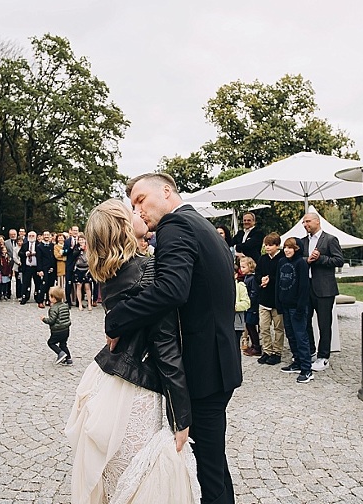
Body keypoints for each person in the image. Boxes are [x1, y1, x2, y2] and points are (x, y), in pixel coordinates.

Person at [104, 173, 242, 504]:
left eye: (140, 200)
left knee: (206, 472)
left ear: (166, 192)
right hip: (220, 361)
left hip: (203, 368)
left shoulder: (174, 227)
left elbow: (172, 290)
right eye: (133, 205)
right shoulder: (202, 224)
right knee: (213, 463)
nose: (138, 210)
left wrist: (116, 320)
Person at [66, 199, 198, 503]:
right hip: (134, 391)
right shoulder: (148, 270)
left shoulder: (110, 271)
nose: (139, 212)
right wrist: (181, 417)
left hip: (106, 380)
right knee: (137, 480)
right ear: (124, 228)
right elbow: (166, 346)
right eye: (131, 212)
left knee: (115, 481)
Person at [299, 212, 343, 372]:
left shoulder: (330, 239)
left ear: (317, 221)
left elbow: (339, 260)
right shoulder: (302, 242)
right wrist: (307, 260)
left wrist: (321, 259)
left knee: (324, 324)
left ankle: (323, 356)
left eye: (308, 221)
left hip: (325, 288)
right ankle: (310, 350)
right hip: (306, 287)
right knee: (305, 321)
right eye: (304, 223)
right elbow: (298, 260)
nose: (305, 225)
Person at [276, 238, 314, 383]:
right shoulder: (281, 262)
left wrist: (300, 308)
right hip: (285, 306)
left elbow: (304, 288)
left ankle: (307, 369)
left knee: (300, 337)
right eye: (285, 247)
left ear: (297, 249)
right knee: (291, 336)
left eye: (290, 247)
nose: (287, 250)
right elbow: (278, 285)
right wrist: (278, 303)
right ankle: (297, 361)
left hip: (297, 307)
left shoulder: (301, 263)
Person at [255, 233, 285, 365]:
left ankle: (277, 352)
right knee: (264, 327)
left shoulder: (283, 259)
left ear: (277, 246)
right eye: (266, 245)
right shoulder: (262, 259)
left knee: (278, 328)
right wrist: (261, 279)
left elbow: (282, 277)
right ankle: (267, 350)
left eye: (270, 245)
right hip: (264, 299)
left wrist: (270, 280)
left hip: (277, 300)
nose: (267, 247)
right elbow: (257, 273)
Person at [41, 286, 72, 365]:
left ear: (54, 298)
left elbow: (52, 320)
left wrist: (44, 319)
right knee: (63, 344)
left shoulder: (53, 308)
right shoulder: (65, 305)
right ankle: (68, 359)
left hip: (57, 330)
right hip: (66, 329)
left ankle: (60, 353)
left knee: (51, 343)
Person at [240, 257, 261, 357]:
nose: (242, 269)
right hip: (248, 306)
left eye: (244, 267)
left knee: (251, 326)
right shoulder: (246, 278)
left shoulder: (252, 278)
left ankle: (256, 346)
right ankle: (253, 345)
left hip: (251, 306)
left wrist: (249, 303)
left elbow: (254, 292)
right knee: (249, 325)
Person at [19, 231, 40, 305]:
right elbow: (20, 253)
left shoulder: (38, 245)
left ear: (36, 236)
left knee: (37, 283)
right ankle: (25, 297)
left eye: (33, 235)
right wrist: (25, 254)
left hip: (36, 267)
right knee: (26, 283)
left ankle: (37, 297)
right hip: (27, 267)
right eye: (30, 235)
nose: (31, 237)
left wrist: (36, 254)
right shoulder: (25, 245)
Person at [72, 234, 93, 311]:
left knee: (87, 287)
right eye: (79, 240)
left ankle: (89, 304)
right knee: (79, 286)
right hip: (78, 268)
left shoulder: (89, 248)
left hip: (87, 268)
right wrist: (79, 249)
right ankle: (80, 304)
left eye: (82, 239)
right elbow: (73, 255)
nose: (81, 241)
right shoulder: (76, 247)